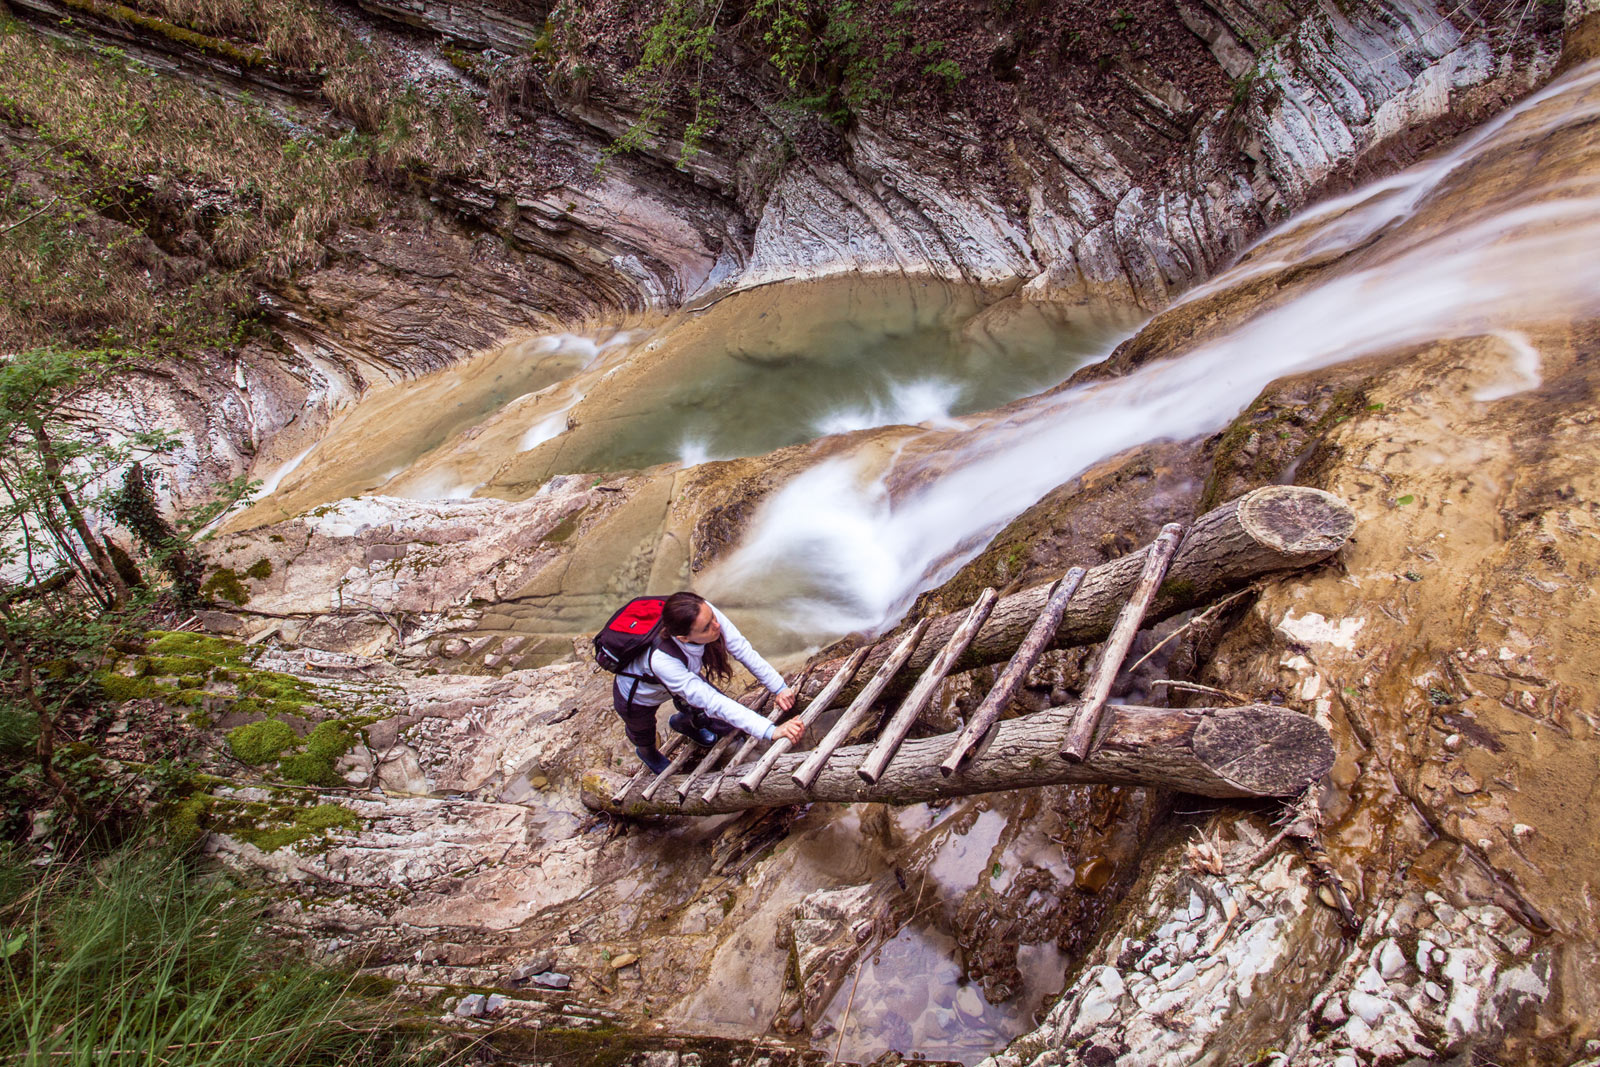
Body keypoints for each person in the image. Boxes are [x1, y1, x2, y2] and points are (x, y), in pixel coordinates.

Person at [614, 591, 805, 773]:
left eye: (713, 616)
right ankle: (649, 754)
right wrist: (770, 730)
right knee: (642, 731)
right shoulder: (663, 661)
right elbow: (712, 701)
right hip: (639, 694)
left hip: (684, 672)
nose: (717, 625)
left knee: (706, 715)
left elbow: (741, 649)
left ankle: (683, 723)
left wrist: (778, 687)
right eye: (707, 627)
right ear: (683, 638)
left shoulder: (703, 613)